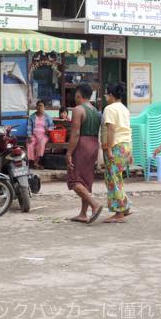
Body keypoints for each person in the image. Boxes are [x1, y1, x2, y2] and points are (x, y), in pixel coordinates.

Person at [66, 83, 103, 224]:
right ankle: (83, 213)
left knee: (74, 180)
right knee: (86, 180)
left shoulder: (78, 110)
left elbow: (75, 133)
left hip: (82, 145)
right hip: (94, 144)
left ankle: (95, 204)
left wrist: (69, 152)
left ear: (78, 95)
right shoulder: (95, 111)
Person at [101, 83, 133, 224]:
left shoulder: (109, 109)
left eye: (107, 94)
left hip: (116, 145)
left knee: (112, 178)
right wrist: (130, 153)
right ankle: (124, 207)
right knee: (117, 177)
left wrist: (108, 149)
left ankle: (119, 212)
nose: (105, 97)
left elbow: (111, 130)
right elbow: (127, 129)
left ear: (111, 95)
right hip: (126, 145)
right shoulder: (125, 109)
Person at [26, 100, 54, 169]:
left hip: (44, 135)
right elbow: (29, 127)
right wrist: (29, 136)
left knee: (41, 143)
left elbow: (52, 126)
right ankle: (31, 162)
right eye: (38, 106)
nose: (39, 107)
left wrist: (48, 130)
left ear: (44, 107)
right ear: (36, 107)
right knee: (29, 144)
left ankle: (36, 162)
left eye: (41, 106)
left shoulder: (48, 117)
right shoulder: (32, 117)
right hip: (34, 135)